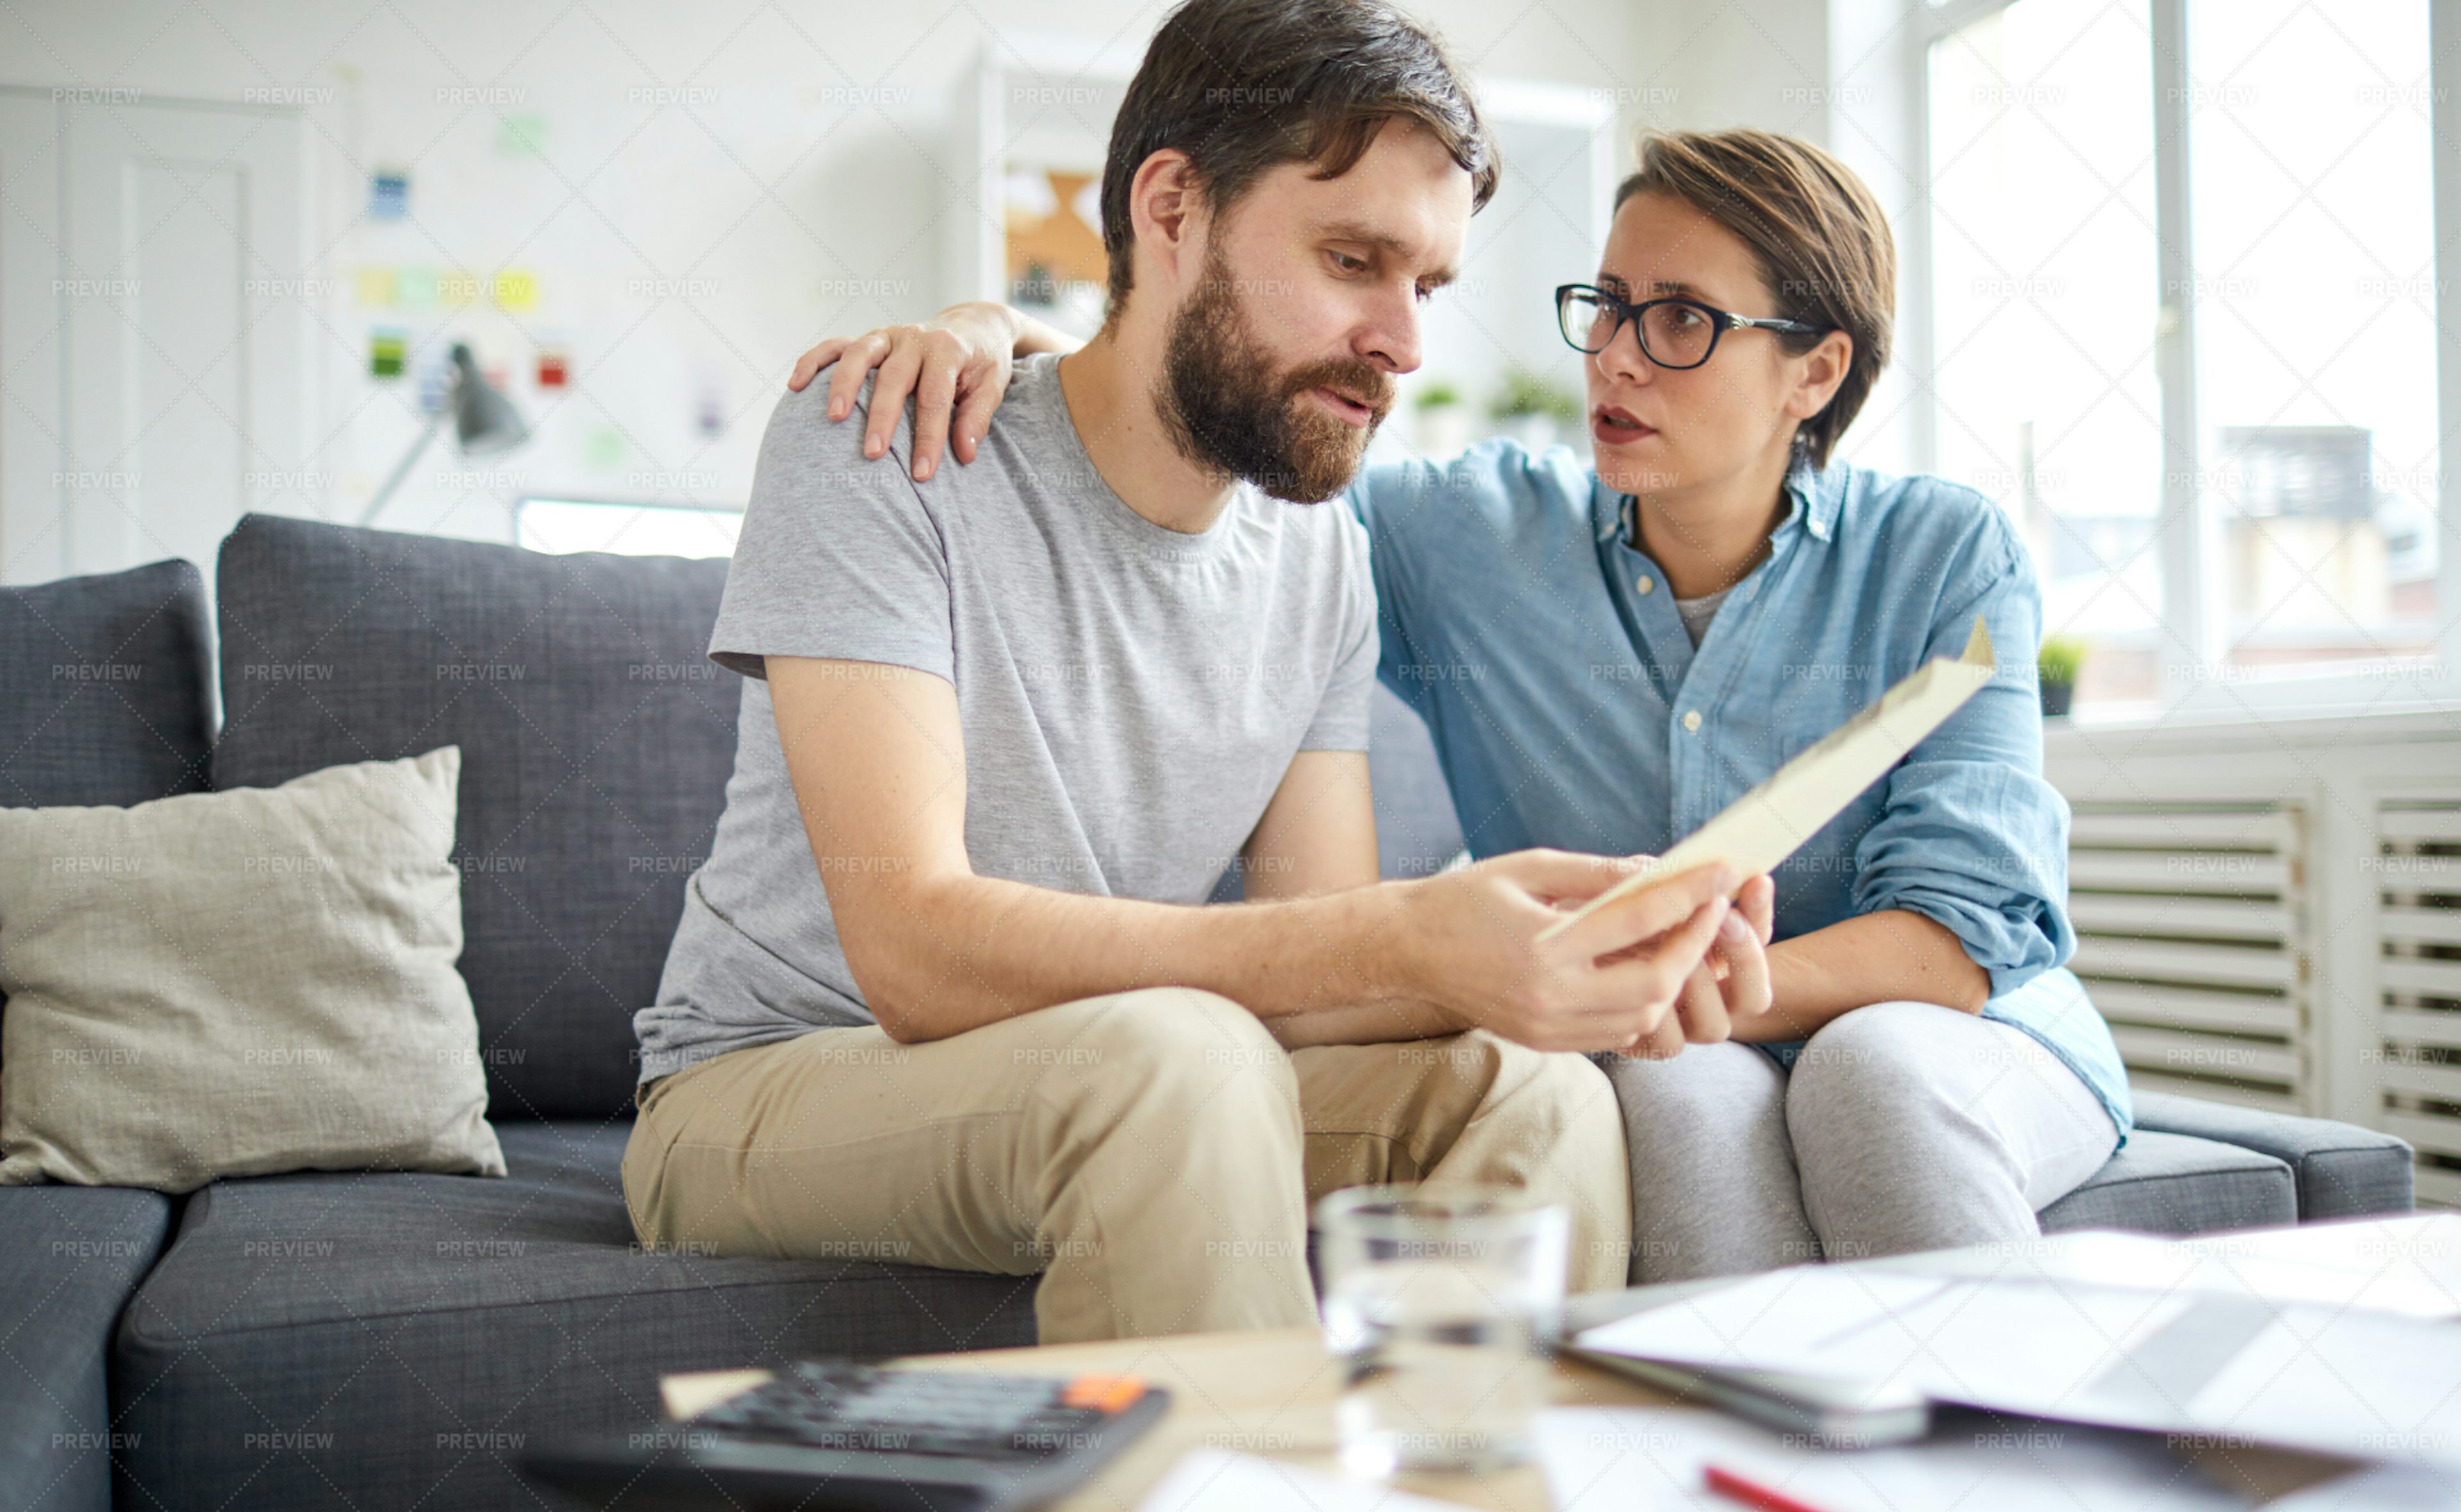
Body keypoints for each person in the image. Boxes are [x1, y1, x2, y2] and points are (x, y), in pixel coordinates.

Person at [789, 126, 2132, 1285]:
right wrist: (994, 331)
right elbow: (1207, 434)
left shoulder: (1945, 556)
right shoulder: (1466, 535)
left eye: (1680, 319)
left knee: (1870, 1073)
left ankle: (2013, 1508)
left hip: (1964, 1037)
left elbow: (1957, 940)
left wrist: (1635, 974)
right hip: (1668, 1042)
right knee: (1669, 1094)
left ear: (1816, 374)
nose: (1616, 358)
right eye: (1605, 305)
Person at [626, 0, 1777, 1346]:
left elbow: (1327, 952)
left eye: (1429, 287)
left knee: (1532, 1088)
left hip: (1117, 1066)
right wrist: (1408, 931)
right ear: (1169, 211)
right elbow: (916, 953)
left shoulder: (1318, 559)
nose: (1404, 343)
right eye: (1354, 258)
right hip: (766, 1089)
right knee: (1180, 1052)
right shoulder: (884, 441)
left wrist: (1563, 946)